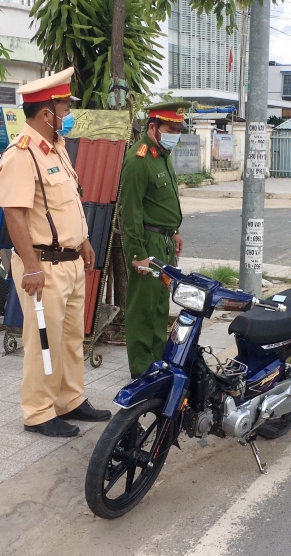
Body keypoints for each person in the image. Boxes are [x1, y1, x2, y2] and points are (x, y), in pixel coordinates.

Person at [0, 67, 111, 437]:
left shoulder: (57, 149)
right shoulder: (21, 155)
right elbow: (13, 215)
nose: (69, 114)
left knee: (70, 338)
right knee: (43, 340)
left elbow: (68, 206)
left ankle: (70, 400)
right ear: (47, 114)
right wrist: (30, 267)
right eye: (65, 107)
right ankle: (39, 412)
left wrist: (84, 242)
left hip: (70, 262)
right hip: (42, 267)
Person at [119, 101, 190, 378]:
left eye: (178, 129)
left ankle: (157, 360)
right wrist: (136, 252)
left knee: (160, 305)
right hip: (146, 242)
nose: (175, 134)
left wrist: (174, 231)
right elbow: (132, 210)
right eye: (171, 128)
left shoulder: (161, 154)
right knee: (142, 307)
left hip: (164, 242)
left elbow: (160, 201)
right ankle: (141, 367)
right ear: (152, 127)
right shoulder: (138, 160)